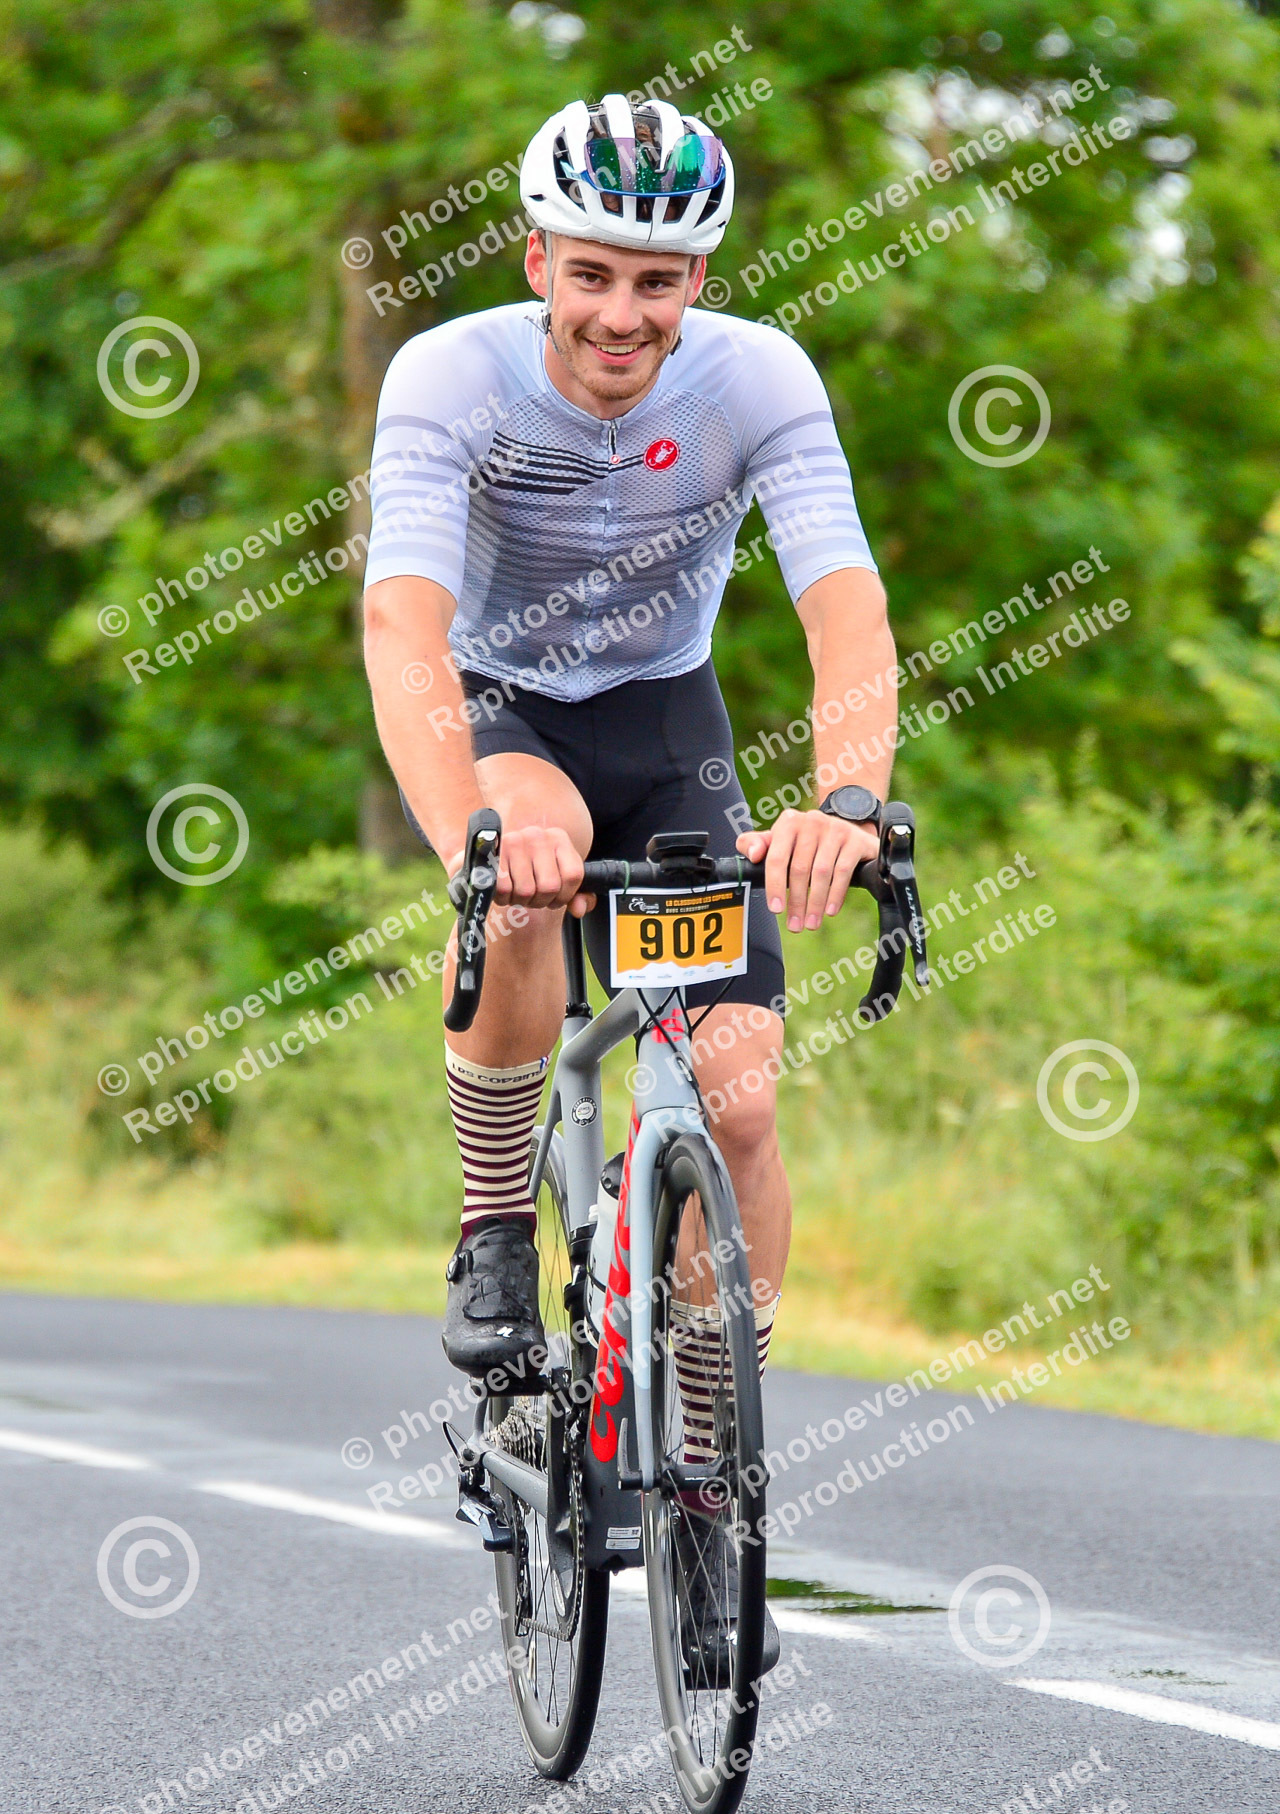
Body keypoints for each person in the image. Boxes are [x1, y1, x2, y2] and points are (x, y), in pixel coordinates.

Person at [362, 94, 897, 1677]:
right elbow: (403, 626)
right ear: (538, 262)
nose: (621, 313)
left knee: (741, 1101)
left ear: (699, 280)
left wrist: (848, 802)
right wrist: (470, 832)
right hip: (503, 708)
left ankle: (711, 1479)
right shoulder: (447, 374)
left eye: (657, 281)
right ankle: (492, 1226)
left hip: (670, 730)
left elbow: (844, 608)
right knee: (526, 880)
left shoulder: (761, 378)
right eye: (591, 273)